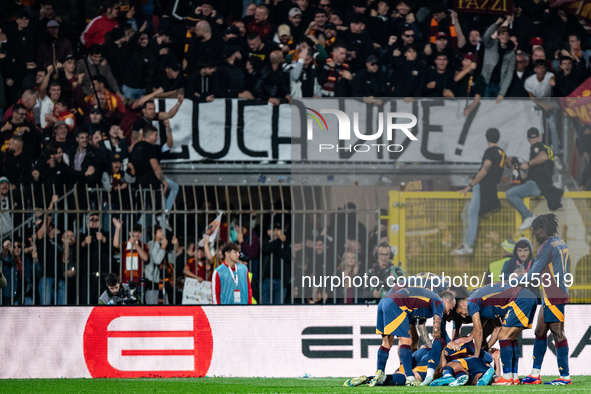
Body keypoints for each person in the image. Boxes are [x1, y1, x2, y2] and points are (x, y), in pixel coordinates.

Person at [520, 214, 571, 385]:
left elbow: (532, 274)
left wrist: (512, 282)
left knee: (557, 333)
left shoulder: (545, 246)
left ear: (542, 230)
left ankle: (565, 377)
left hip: (554, 294)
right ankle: (535, 374)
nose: (534, 237)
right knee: (540, 332)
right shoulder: (560, 242)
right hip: (552, 294)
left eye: (535, 233)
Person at [369, 287, 456, 386]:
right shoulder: (439, 302)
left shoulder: (419, 305)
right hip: (397, 304)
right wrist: (439, 347)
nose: (448, 313)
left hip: (384, 302)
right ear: (445, 301)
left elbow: (415, 335)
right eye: (450, 308)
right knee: (406, 341)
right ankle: (410, 377)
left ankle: (379, 372)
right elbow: (437, 329)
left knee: (387, 343)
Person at [455, 282, 538, 385]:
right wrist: (485, 348)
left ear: (463, 304)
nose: (463, 316)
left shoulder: (471, 302)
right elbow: (497, 328)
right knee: (511, 337)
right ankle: (514, 377)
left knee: (504, 336)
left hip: (519, 300)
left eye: (461, 313)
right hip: (528, 297)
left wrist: (476, 355)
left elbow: (478, 330)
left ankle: (507, 378)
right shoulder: (485, 304)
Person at [452, 128, 506, 255]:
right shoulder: (502, 152)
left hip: (482, 186)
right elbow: (508, 164)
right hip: (492, 186)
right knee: (469, 213)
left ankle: (468, 245)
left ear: (486, 138)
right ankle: (467, 244)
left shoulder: (490, 151)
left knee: (471, 213)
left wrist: (469, 186)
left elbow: (484, 170)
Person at [506, 128, 563, 231]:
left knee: (510, 194)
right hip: (542, 185)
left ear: (528, 139)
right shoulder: (544, 149)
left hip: (535, 185)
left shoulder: (537, 146)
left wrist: (528, 164)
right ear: (539, 135)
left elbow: (543, 157)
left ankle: (528, 216)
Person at [482, 19, 515, 102]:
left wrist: (502, 93)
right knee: (485, 109)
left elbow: (509, 74)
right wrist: (496, 23)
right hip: (487, 83)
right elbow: (486, 36)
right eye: (502, 34)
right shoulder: (491, 44)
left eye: (507, 35)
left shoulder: (511, 54)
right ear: (499, 36)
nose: (505, 36)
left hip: (499, 86)